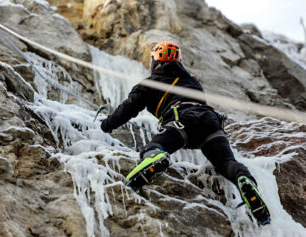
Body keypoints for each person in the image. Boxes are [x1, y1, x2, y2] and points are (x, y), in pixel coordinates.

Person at [100, 41, 270, 225]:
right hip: (211, 123)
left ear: (155, 61)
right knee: (226, 162)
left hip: (182, 120)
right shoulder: (191, 80)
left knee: (154, 146)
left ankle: (155, 157)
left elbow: (128, 108)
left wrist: (106, 126)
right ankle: (244, 179)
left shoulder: (150, 83)